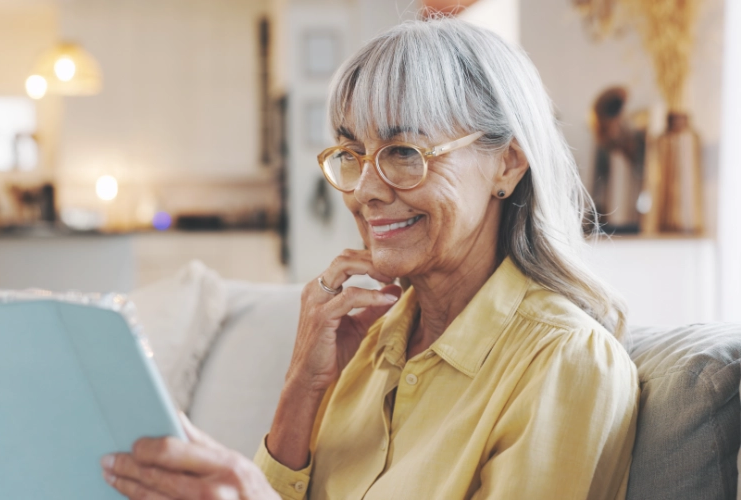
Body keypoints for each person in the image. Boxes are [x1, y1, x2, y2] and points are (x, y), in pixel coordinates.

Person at [100, 17, 639, 500]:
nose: (364, 191)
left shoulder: (567, 362)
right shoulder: (371, 340)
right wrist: (300, 391)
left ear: (508, 164)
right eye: (353, 156)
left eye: (403, 153)